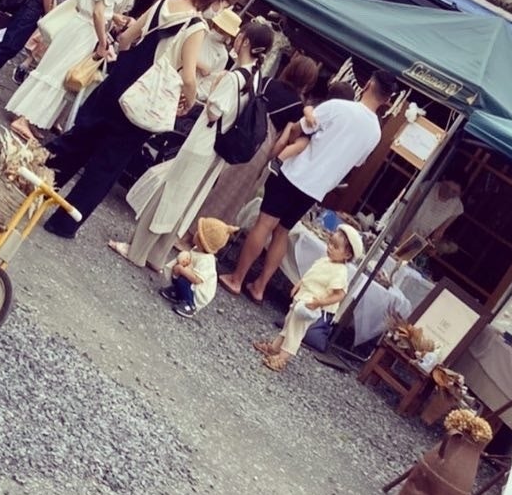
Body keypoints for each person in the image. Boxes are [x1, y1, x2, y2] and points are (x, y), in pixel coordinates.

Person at [39, 0, 238, 240]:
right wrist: (188, 100)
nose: (221, 11)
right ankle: (63, 224)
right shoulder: (197, 26)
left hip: (117, 84)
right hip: (144, 99)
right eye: (224, 5)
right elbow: (189, 77)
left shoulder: (164, 2)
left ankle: (33, 190)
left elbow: (125, 40)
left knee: (77, 141)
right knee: (105, 166)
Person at [110, 20, 276, 270]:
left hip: (202, 143)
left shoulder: (234, 77)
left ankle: (137, 251)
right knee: (186, 203)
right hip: (218, 152)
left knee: (169, 195)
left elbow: (214, 112)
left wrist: (215, 88)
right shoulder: (255, 78)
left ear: (246, 42)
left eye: (240, 35)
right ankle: (157, 256)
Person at [219, 70, 396, 304]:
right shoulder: (375, 133)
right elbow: (357, 163)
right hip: (318, 187)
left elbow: (298, 129)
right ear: (387, 99)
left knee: (265, 224)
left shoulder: (338, 107)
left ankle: (237, 278)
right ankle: (260, 286)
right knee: (282, 232)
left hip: (295, 172)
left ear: (369, 84)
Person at [4, 0, 153, 133]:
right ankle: (24, 119)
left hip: (79, 27)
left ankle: (28, 116)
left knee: (53, 70)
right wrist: (103, 43)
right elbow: (98, 13)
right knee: (58, 74)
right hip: (85, 31)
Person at [194, 55, 318, 229]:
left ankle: (187, 224)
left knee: (210, 180)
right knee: (231, 195)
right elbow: (281, 142)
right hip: (258, 148)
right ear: (307, 82)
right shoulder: (297, 107)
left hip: (236, 130)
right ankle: (205, 233)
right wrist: (267, 161)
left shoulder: (266, 82)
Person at [252, 225, 363, 371]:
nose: (329, 247)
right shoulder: (326, 260)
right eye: (330, 243)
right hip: (302, 298)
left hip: (311, 304)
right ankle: (275, 347)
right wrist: (299, 285)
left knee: (295, 331)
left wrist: (320, 302)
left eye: (335, 247)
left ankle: (282, 358)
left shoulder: (340, 272)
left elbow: (340, 294)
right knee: (289, 323)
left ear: (347, 255)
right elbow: (311, 275)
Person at [158, 217, 237, 318]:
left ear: (202, 240)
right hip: (192, 278)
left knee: (183, 279)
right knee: (179, 272)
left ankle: (189, 304)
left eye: (198, 233)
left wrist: (182, 270)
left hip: (199, 290)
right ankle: (177, 292)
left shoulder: (206, 260)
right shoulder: (197, 249)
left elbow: (197, 279)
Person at [400, 179, 464, 244]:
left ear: (460, 193)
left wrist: (433, 242)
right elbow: (409, 212)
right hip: (402, 227)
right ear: (443, 181)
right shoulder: (427, 186)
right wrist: (402, 232)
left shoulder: (457, 206)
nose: (448, 192)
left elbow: (440, 230)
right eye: (446, 187)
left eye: (454, 192)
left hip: (418, 238)